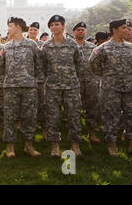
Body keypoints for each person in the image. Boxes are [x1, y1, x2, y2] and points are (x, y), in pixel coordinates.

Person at [89, 19, 132, 156]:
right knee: (111, 116)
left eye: (127, 28)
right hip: (111, 89)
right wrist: (106, 77)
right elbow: (93, 64)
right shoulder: (103, 48)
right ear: (114, 30)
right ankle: (112, 145)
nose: (127, 30)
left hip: (130, 88)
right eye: (124, 28)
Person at [0, 17, 42, 157]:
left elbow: (39, 65)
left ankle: (28, 145)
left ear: (17, 27)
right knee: (10, 117)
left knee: (29, 117)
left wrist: (31, 79)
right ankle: (10, 147)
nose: (8, 29)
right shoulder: (6, 46)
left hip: (28, 86)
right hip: (11, 87)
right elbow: (0, 66)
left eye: (10, 26)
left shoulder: (31, 45)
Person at [42, 15, 83, 157]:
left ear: (63, 26)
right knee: (53, 116)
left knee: (74, 116)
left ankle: (75, 145)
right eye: (51, 25)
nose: (54, 27)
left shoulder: (72, 44)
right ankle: (55, 146)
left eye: (57, 24)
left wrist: (74, 79)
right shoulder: (46, 46)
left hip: (71, 86)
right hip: (52, 87)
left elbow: (79, 64)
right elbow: (43, 66)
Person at [72, 22, 101, 143]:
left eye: (83, 30)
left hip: (90, 82)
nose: (80, 31)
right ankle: (75, 135)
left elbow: (98, 63)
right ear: (73, 32)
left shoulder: (92, 47)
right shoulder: (69, 46)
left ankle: (91, 133)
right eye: (78, 30)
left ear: (86, 32)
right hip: (75, 82)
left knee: (92, 108)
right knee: (74, 109)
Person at [28, 22, 47, 137]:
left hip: (40, 79)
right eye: (31, 29)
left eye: (35, 30)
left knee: (42, 103)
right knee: (30, 104)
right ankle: (31, 124)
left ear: (38, 31)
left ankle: (43, 124)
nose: (33, 31)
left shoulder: (43, 45)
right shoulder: (24, 43)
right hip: (28, 79)